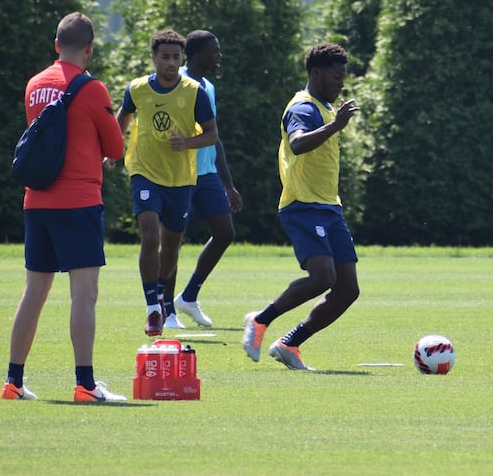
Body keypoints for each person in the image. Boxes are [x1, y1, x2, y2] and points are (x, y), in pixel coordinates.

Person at [1, 12, 127, 401]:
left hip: (37, 201)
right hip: (79, 201)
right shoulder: (92, 89)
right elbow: (116, 148)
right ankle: (85, 385)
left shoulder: (34, 84)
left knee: (33, 293)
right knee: (84, 295)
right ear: (89, 48)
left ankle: (13, 381)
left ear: (56, 45)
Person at [242, 42, 360, 370]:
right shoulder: (303, 108)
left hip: (328, 208)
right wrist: (335, 126)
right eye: (336, 77)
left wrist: (333, 123)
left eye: (342, 78)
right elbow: (297, 143)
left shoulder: (322, 107)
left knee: (347, 289)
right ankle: (260, 320)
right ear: (316, 72)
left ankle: (290, 343)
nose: (340, 83)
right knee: (322, 277)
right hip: (302, 204)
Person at [115, 29, 219, 337]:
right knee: (150, 234)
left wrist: (186, 142)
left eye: (176, 58)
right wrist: (111, 152)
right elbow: (121, 121)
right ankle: (152, 309)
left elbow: (212, 135)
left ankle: (161, 294)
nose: (171, 63)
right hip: (144, 171)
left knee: (172, 244)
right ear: (154, 58)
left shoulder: (194, 91)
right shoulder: (137, 89)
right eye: (165, 57)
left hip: (180, 178)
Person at [162, 30, 243, 330]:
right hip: (179, 173)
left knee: (224, 232)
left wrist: (228, 184)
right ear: (197, 54)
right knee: (172, 241)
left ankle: (189, 296)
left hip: (207, 174)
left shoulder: (208, 86)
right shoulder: (177, 82)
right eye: (214, 51)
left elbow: (214, 136)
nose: (218, 56)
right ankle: (166, 310)